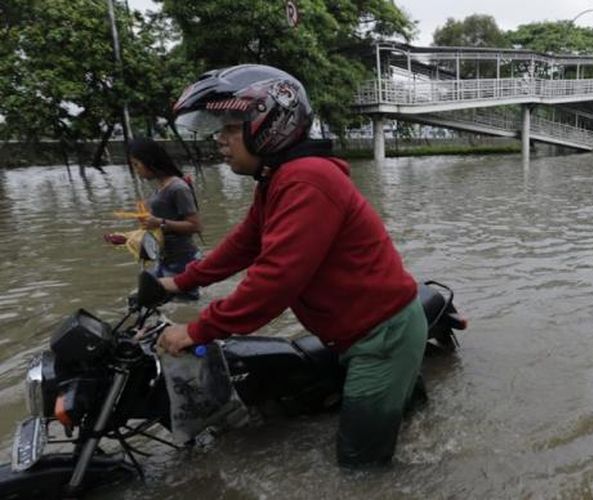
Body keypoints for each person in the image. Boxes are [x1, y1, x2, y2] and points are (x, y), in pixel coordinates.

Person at [154, 64, 428, 468]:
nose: (221, 141)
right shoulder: (278, 180)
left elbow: (275, 281)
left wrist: (198, 329)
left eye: (230, 129)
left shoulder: (306, 181)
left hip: (379, 339)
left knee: (360, 467)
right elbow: (243, 244)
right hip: (357, 332)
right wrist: (177, 282)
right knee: (412, 421)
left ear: (268, 124)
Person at [129, 137, 203, 298]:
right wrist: (126, 239)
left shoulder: (178, 188)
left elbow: (195, 226)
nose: (136, 170)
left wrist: (159, 222)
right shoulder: (161, 187)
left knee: (184, 306)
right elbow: (159, 227)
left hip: (181, 260)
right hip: (165, 259)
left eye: (137, 164)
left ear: (149, 162)